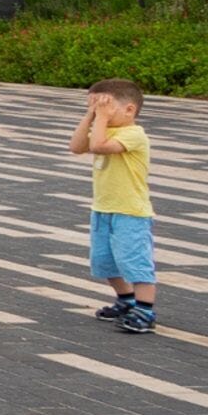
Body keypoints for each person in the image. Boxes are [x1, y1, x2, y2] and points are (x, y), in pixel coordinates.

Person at [70, 79, 158, 334]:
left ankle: (145, 309)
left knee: (135, 261)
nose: (100, 114)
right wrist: (91, 115)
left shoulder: (134, 134)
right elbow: (76, 147)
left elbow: (97, 146)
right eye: (95, 108)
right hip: (103, 208)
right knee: (104, 260)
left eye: (106, 107)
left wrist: (101, 119)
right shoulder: (104, 128)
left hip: (130, 212)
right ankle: (126, 299)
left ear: (129, 110)